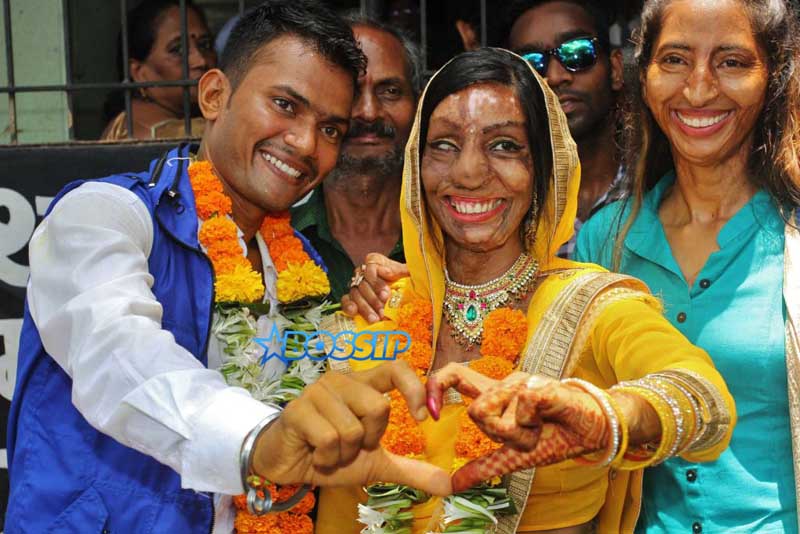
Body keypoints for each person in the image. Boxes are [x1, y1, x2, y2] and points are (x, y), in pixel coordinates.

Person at [6, 3, 451, 533]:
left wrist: (364, 323)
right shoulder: (104, 216)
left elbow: (304, 398)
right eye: (285, 104)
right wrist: (259, 441)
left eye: (331, 129)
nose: (306, 144)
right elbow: (121, 358)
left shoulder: (295, 265)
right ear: (215, 94)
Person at [318, 48, 735, 533]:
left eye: (504, 146)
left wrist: (602, 415)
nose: (469, 173)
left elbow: (705, 401)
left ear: (543, 169)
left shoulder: (590, 307)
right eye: (445, 145)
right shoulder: (376, 311)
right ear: (417, 165)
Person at [575, 0, 800, 531]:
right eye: (675, 60)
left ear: (773, 76)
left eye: (732, 62)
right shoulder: (606, 243)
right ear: (643, 75)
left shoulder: (793, 239)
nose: (698, 89)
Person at [291, 14, 420, 301]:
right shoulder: (275, 234)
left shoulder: (449, 237)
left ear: (417, 105)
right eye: (351, 92)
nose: (369, 112)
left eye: (390, 91)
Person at [505, 0, 626, 257]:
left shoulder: (661, 183)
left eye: (577, 52)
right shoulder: (505, 202)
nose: (556, 75)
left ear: (615, 69)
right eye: (530, 64)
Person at [101, 0, 216, 140]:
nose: (201, 61)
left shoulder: (124, 122)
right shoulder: (168, 134)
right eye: (178, 50)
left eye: (205, 45)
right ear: (139, 72)